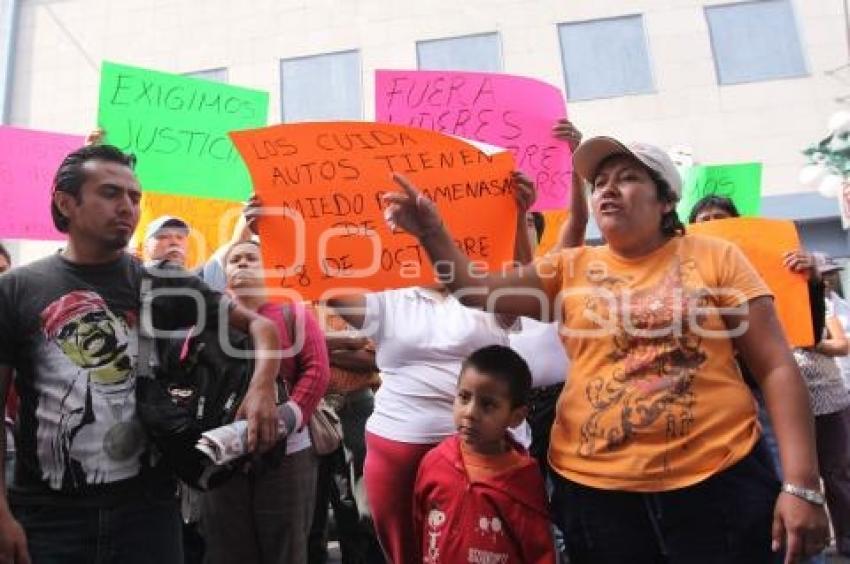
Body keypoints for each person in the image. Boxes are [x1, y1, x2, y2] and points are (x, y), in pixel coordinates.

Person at [382, 136, 830, 563]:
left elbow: (774, 367)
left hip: (717, 486)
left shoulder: (718, 257)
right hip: (596, 499)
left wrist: (802, 485)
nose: (608, 189)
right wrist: (432, 234)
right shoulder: (571, 266)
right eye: (599, 183)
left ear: (667, 199)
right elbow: (474, 289)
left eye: (628, 177)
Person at [0, 144, 283, 564]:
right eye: (110, 193)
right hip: (48, 518)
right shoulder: (17, 289)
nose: (127, 207)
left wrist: (262, 388)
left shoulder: (165, 281)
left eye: (134, 197)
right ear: (66, 203)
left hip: (148, 514)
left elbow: (262, 326)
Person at [325, 173, 538, 563]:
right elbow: (323, 283)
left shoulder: (487, 290)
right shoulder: (389, 297)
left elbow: (528, 290)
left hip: (485, 454)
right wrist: (278, 233)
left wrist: (519, 220)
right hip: (397, 447)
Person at [200, 239, 330, 564]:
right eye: (235, 259)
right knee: (228, 547)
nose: (242, 263)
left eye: (252, 258)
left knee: (285, 544)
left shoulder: (293, 313)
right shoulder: (209, 317)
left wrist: (287, 417)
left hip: (288, 453)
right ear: (225, 272)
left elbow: (316, 371)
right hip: (224, 456)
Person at [413, 345, 555, 564]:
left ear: (516, 417)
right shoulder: (435, 462)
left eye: (488, 405)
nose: (470, 413)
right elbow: (420, 524)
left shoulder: (523, 479)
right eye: (464, 397)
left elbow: (539, 551)